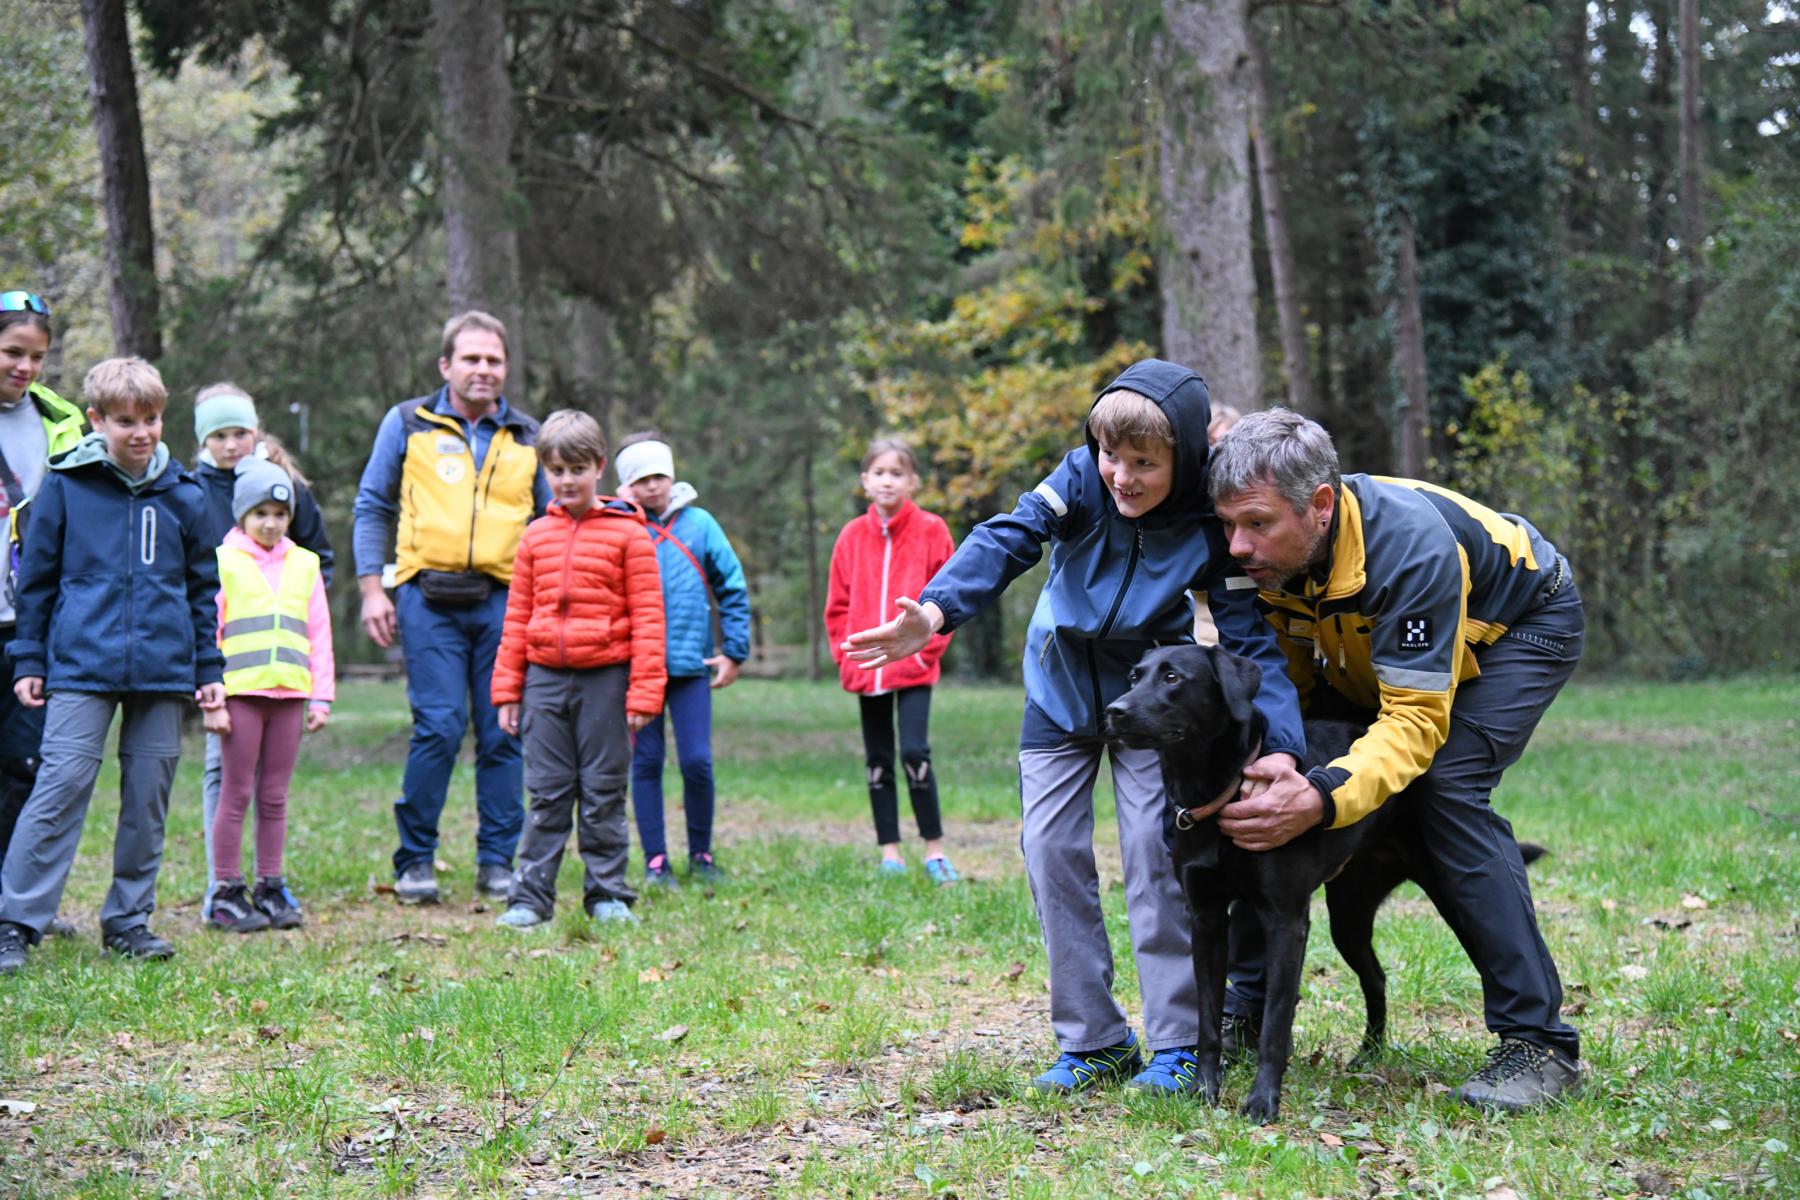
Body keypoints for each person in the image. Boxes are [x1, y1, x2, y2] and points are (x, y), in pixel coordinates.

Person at [843, 360, 1306, 1095]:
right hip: (1058, 691)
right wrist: (933, 613)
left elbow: (1248, 641)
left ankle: (1180, 1044)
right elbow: (1008, 537)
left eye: (1144, 463)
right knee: (1052, 852)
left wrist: (1282, 747)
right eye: (1109, 454)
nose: (1121, 475)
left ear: (1182, 458)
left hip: (1152, 704)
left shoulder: (1207, 515)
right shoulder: (1078, 480)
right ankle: (1094, 1042)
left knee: (1159, 860)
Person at [1207, 408, 1584, 1112]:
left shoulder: (1409, 548)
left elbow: (1411, 720)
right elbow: (1279, 685)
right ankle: (1245, 1007)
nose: (1236, 545)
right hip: (1372, 653)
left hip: (1518, 628)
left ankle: (1539, 1045)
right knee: (1267, 777)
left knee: (1444, 785)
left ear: (1320, 507)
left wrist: (1322, 795)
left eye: (1257, 524)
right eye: (1228, 524)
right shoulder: (1263, 556)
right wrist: (1286, 759)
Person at [0, 357, 226, 973]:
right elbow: (38, 583)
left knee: (148, 795)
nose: (141, 432)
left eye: (151, 419)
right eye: (125, 421)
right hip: (78, 665)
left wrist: (209, 669)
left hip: (164, 670)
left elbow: (204, 590)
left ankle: (128, 919)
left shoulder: (184, 495)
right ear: (96, 420)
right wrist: (30, 658)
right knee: (62, 782)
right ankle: (15, 920)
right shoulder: (66, 486)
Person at [353, 312, 548, 906]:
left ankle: (497, 862)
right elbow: (371, 504)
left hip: (506, 603)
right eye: (471, 359)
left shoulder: (529, 435)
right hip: (425, 599)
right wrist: (370, 589)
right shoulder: (407, 422)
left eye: (493, 360)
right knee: (437, 727)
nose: (483, 369)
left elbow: (549, 523)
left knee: (501, 733)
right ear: (446, 365)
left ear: (506, 368)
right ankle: (414, 861)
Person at [489, 411, 666, 929]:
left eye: (578, 469)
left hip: (606, 682)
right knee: (546, 791)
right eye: (556, 470)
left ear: (600, 468)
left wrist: (644, 693)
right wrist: (508, 690)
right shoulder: (535, 537)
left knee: (603, 789)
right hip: (543, 680)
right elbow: (517, 617)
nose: (567, 480)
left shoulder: (630, 536)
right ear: (544, 470)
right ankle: (529, 899)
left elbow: (649, 619)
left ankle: (608, 894)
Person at [189, 383, 333, 919]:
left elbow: (318, 630)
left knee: (274, 795)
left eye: (280, 513)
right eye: (260, 514)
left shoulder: (304, 563)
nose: (271, 522)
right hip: (239, 692)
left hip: (290, 692)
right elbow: (211, 621)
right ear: (241, 516)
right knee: (233, 790)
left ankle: (271, 885)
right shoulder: (225, 557)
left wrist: (321, 695)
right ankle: (224, 889)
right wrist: (213, 696)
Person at [614, 433, 750, 888]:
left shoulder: (701, 524)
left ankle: (702, 854)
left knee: (697, 761)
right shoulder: (619, 524)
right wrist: (620, 511)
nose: (652, 486)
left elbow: (731, 584)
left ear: (672, 475)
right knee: (646, 762)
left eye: (658, 476)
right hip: (639, 668)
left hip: (691, 664)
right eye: (640, 479)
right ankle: (656, 861)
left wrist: (734, 650)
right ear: (627, 485)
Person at [824, 438, 960, 882]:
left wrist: (926, 653)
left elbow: (951, 596)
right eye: (879, 472)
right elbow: (838, 605)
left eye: (896, 473)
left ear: (912, 481)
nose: (887, 480)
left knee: (915, 751)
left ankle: (934, 851)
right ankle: (890, 853)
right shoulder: (850, 536)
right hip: (867, 668)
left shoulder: (932, 530)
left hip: (914, 668)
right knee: (877, 759)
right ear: (865, 481)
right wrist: (848, 659)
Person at [0, 290, 85, 940]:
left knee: (27, 767)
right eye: (12, 352)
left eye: (36, 356)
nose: (24, 367)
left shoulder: (64, 423)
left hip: (33, 624)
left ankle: (13, 902)